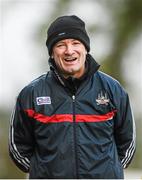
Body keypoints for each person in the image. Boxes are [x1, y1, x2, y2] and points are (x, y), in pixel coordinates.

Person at [9, 15, 136, 179]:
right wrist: (44, 172)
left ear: (85, 48)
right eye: (61, 45)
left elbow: (128, 143)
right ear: (52, 52)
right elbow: (17, 146)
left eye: (76, 43)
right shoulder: (31, 93)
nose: (69, 51)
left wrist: (109, 171)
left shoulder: (113, 89)